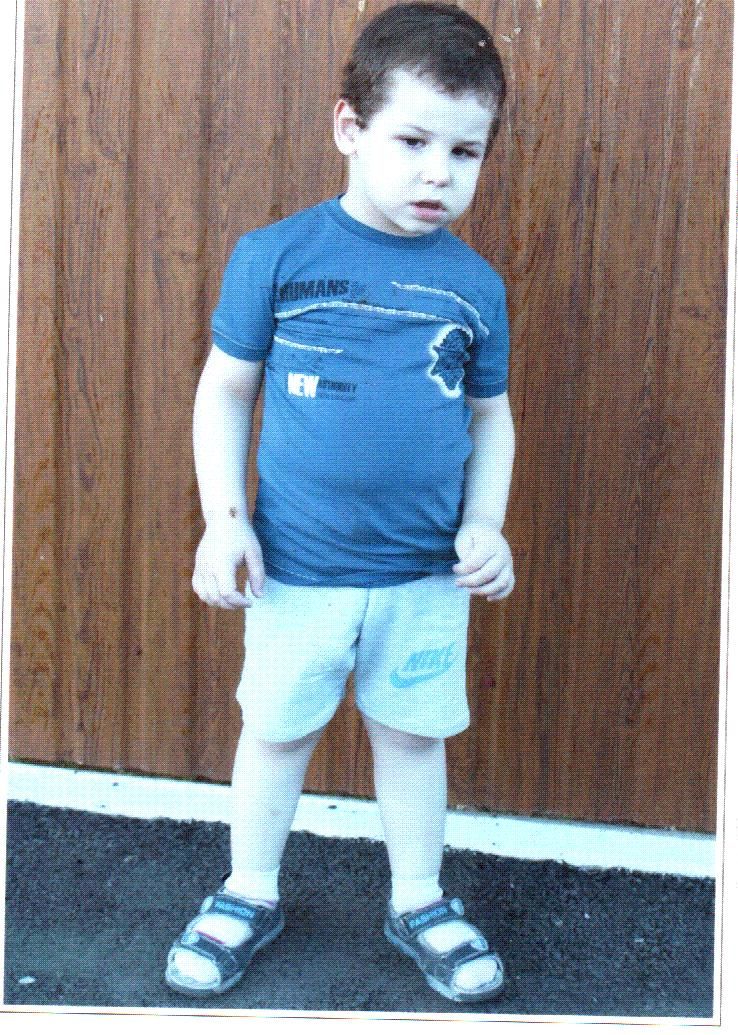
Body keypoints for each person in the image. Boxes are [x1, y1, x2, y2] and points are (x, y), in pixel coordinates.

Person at [165, 1, 515, 1006]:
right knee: (275, 735)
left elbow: (492, 418)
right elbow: (225, 391)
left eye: (465, 151)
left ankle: (419, 899)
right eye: (413, 141)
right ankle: (248, 888)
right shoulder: (276, 256)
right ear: (348, 129)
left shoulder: (475, 286)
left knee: (412, 739)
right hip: (296, 574)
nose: (438, 174)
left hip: (424, 579)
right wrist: (224, 520)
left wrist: (485, 522)